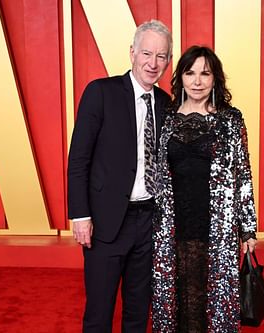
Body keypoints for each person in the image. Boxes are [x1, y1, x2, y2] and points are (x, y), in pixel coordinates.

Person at [67, 20, 172, 332]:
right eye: (147, 54)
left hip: (149, 222)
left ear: (168, 61)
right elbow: (79, 159)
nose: (153, 64)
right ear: (132, 53)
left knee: (138, 314)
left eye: (162, 56)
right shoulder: (101, 92)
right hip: (106, 222)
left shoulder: (166, 105)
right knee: (99, 314)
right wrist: (80, 215)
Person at [152, 45, 258, 332]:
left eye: (205, 74)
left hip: (217, 226)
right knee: (177, 297)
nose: (197, 81)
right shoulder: (166, 117)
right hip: (173, 226)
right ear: (180, 78)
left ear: (215, 79)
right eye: (190, 73)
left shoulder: (230, 119)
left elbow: (243, 174)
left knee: (212, 299)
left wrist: (248, 229)